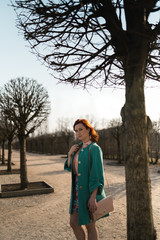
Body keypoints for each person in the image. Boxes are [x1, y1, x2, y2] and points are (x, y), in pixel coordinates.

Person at [64, 119, 109, 240]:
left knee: (90, 225)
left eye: (81, 129)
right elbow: (70, 168)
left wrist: (93, 197)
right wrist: (69, 154)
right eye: (76, 131)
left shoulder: (94, 148)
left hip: (89, 191)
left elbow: (97, 175)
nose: (78, 133)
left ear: (88, 129)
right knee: (73, 222)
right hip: (77, 191)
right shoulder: (77, 148)